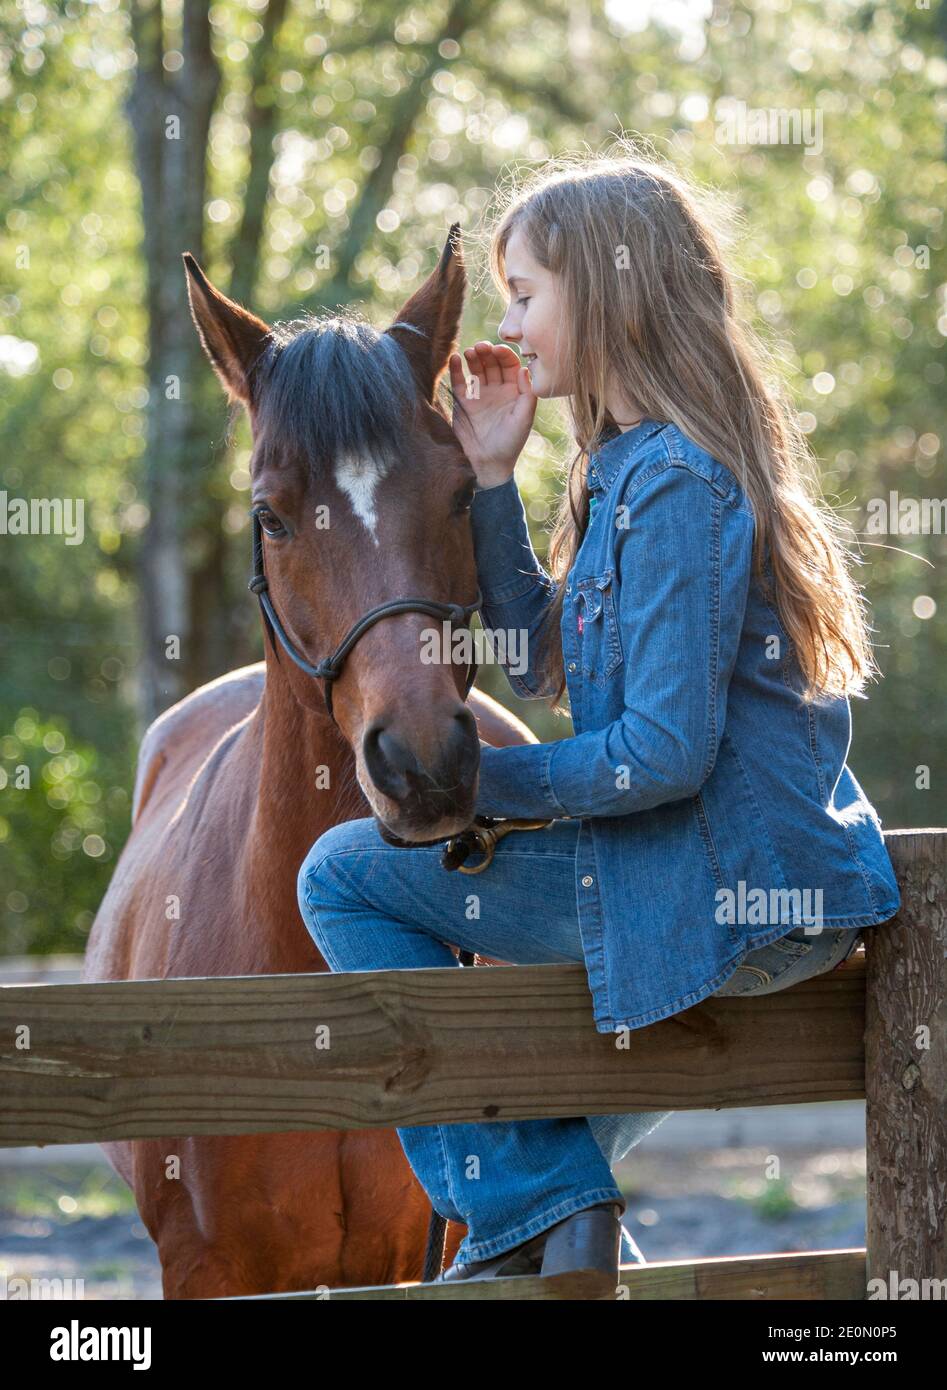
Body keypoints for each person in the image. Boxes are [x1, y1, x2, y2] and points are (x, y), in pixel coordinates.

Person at [296, 146, 901, 1290]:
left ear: (609, 294)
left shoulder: (674, 482)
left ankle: (543, 1211)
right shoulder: (626, 470)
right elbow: (538, 656)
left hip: (724, 887)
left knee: (340, 876)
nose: (509, 323)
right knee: (521, 1149)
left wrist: (477, 791)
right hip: (691, 862)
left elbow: (663, 756)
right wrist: (487, 477)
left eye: (526, 293)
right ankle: (537, 1224)